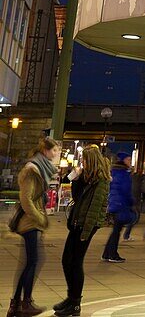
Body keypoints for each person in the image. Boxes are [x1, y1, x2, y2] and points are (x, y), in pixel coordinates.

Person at [7, 135, 61, 317]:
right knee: (33, 262)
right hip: (30, 222)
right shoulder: (33, 170)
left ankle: (17, 304)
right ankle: (23, 303)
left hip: (33, 222)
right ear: (45, 151)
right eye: (54, 150)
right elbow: (26, 199)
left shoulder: (40, 168)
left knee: (32, 262)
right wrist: (39, 218)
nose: (56, 154)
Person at [55, 144, 111, 316]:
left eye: (85, 160)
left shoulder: (101, 181)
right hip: (77, 223)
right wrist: (75, 178)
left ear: (91, 161)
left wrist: (86, 232)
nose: (82, 163)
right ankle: (71, 298)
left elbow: (94, 210)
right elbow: (77, 198)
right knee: (66, 260)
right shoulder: (87, 177)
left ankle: (75, 303)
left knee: (75, 262)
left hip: (86, 226)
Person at [102, 153, 135, 263]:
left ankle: (107, 253)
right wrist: (131, 201)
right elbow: (126, 190)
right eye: (128, 159)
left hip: (115, 203)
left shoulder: (115, 171)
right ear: (123, 160)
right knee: (116, 230)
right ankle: (112, 254)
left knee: (116, 230)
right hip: (121, 204)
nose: (130, 161)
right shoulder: (123, 173)